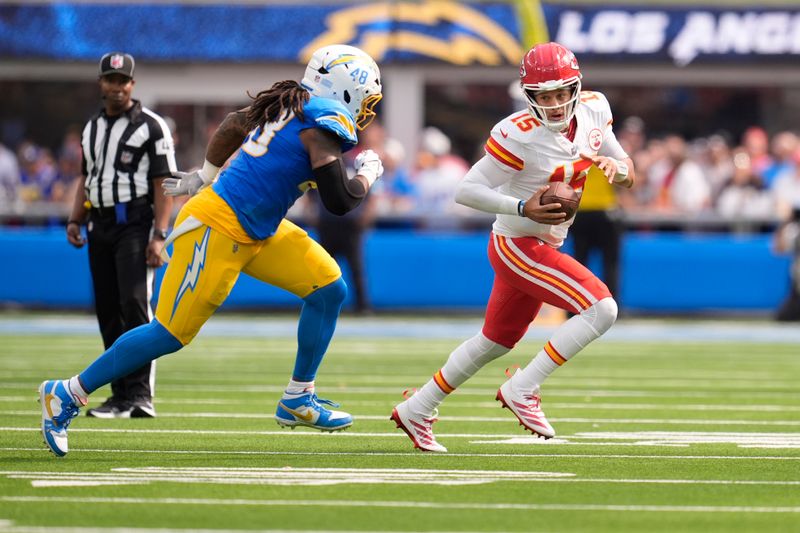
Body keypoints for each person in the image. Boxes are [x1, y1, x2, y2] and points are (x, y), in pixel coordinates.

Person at [39, 44, 384, 457]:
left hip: (257, 229)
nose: (365, 107)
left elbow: (236, 123)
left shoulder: (293, 104)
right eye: (365, 96)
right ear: (347, 87)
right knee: (168, 333)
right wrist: (367, 175)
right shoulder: (322, 123)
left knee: (329, 289)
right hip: (218, 225)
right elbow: (340, 202)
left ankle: (298, 398)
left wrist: (204, 173)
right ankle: (66, 393)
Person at [391, 42, 635, 452]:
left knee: (494, 341)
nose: (555, 104)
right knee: (601, 308)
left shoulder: (594, 108)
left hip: (543, 240)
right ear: (529, 96)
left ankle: (418, 407)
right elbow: (466, 190)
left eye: (561, 93)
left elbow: (628, 170)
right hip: (518, 243)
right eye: (544, 96)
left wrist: (618, 169)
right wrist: (521, 206)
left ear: (576, 89)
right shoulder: (517, 134)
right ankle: (523, 387)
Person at [65, 52, 175, 419]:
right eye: (110, 80)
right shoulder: (91, 127)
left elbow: (163, 183)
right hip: (101, 224)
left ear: (132, 84)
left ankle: (140, 395)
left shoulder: (152, 126)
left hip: (136, 223)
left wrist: (159, 235)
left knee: (134, 305)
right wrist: (75, 219)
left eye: (122, 80)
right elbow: (87, 177)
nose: (116, 87)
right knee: (109, 310)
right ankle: (119, 395)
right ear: (101, 82)